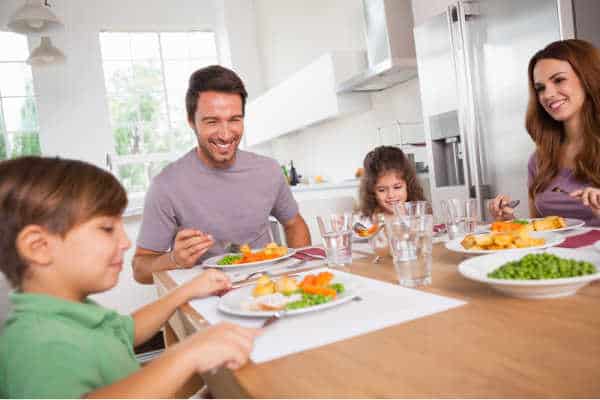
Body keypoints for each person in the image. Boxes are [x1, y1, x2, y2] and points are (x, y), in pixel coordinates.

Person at [0, 156, 260, 398]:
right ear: (39, 246)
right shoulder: (37, 346)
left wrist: (186, 291)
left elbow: (127, 330)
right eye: (107, 228)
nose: (125, 242)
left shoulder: (72, 314)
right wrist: (185, 355)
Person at [133, 65, 311, 284]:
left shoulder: (269, 171)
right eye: (212, 121)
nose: (226, 134)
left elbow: (294, 224)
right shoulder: (166, 185)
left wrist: (300, 276)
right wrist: (174, 259)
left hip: (268, 288)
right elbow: (140, 269)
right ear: (191, 122)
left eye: (234, 119)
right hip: (206, 296)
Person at [489, 39, 600, 225]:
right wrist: (508, 222)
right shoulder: (540, 160)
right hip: (558, 255)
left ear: (588, 78)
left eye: (559, 80)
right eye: (540, 88)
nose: (547, 95)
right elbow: (541, 231)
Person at [359, 145, 426, 218]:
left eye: (397, 187)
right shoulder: (367, 222)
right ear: (371, 191)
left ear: (408, 185)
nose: (391, 195)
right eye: (382, 190)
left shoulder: (420, 215)